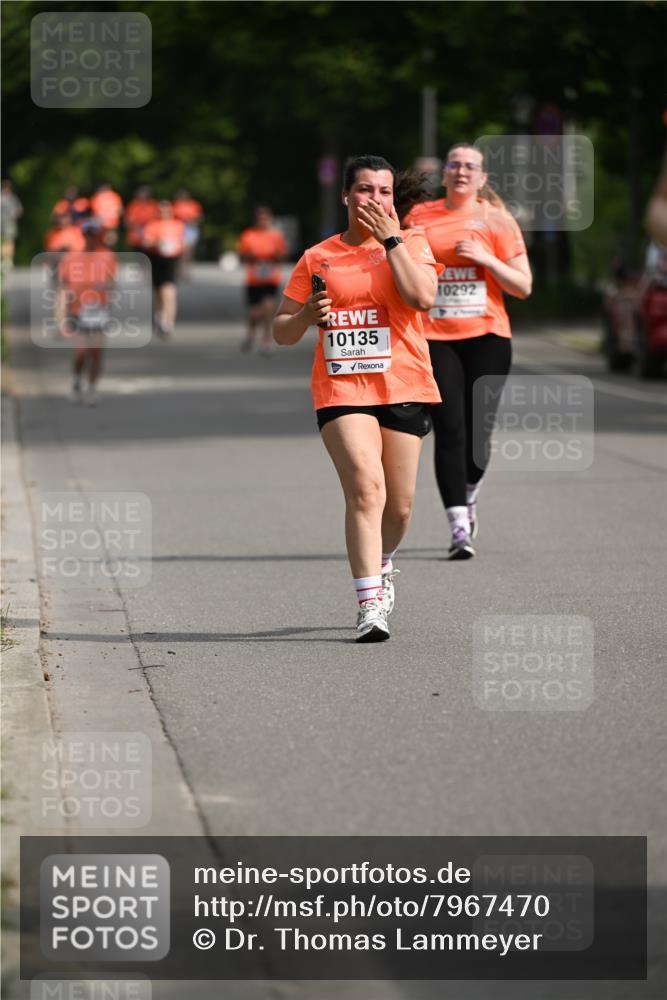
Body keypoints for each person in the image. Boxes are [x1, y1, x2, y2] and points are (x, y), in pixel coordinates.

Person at [272, 155, 440, 642]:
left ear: (394, 198)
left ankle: (382, 563)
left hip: (404, 384)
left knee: (400, 507)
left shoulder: (412, 243)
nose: (375, 199)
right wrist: (305, 315)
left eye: (384, 191)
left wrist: (392, 241)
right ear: (346, 195)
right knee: (367, 488)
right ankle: (369, 604)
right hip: (342, 386)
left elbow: (422, 298)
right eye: (365, 190)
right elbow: (281, 332)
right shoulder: (317, 256)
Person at [404, 142, 532, 559]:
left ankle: (470, 490)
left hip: (488, 336)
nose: (461, 171)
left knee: (479, 434)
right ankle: (458, 524)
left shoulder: (497, 221)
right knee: (450, 429)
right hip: (435, 337)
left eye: (470, 166)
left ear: (482, 178)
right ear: (444, 175)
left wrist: (486, 259)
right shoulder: (419, 218)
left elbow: (523, 286)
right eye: (454, 165)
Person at [56, 218, 117, 405]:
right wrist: (60, 318)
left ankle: (92, 387)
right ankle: (76, 380)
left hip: (98, 309)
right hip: (77, 309)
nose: (91, 237)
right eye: (88, 234)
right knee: (81, 351)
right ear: (83, 235)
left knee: (96, 350)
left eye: (95, 234)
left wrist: (107, 287)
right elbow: (62, 289)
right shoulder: (71, 257)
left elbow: (113, 283)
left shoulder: (107, 256)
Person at [238, 206, 288, 355]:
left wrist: (274, 255)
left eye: (266, 218)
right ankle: (251, 334)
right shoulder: (248, 235)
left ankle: (266, 339)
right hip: (254, 279)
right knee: (254, 313)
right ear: (256, 220)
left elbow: (283, 255)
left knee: (268, 308)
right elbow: (241, 256)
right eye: (260, 218)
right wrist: (251, 255)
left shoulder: (276, 235)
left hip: (270, 278)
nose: (263, 221)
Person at [141, 200, 186, 338]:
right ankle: (158, 316)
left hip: (171, 260)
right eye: (161, 210)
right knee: (158, 292)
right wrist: (156, 242)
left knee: (169, 292)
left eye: (166, 210)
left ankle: (168, 322)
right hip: (156, 258)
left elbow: (182, 243)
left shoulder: (178, 225)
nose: (164, 213)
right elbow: (146, 242)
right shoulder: (152, 225)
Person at [172, 189, 203, 280]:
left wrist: (191, 220)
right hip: (178, 228)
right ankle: (178, 270)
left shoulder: (194, 205)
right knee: (179, 251)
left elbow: (199, 218)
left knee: (188, 251)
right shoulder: (176, 205)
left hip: (190, 228)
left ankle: (186, 270)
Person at [1, 179, 23, 269]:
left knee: (8, 241)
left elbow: (19, 211)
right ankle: (4, 260)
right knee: (5, 242)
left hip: (9, 223)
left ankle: (7, 261)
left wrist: (13, 215)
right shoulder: (10, 198)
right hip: (5, 223)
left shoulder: (12, 198)